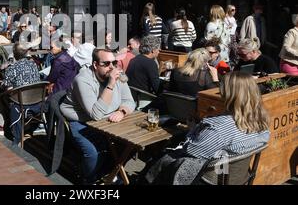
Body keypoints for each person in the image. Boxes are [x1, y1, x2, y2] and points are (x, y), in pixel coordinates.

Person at [145, 71, 270, 185]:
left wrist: (192, 129)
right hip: (237, 178)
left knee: (158, 160)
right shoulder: (261, 122)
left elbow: (191, 151)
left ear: (229, 95)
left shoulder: (218, 127)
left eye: (222, 90)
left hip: (208, 180)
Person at [60, 48, 136, 184]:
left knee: (131, 144)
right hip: (82, 120)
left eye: (114, 63)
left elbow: (129, 101)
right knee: (93, 153)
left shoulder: (116, 74)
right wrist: (111, 84)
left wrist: (122, 111)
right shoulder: (83, 80)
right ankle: (87, 178)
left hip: (108, 120)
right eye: (106, 64)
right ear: (95, 65)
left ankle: (109, 172)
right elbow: (96, 114)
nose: (111, 67)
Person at [0, 43, 41, 141]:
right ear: (26, 53)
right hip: (37, 101)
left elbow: (6, 85)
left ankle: (4, 127)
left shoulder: (12, 68)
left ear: (14, 54)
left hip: (21, 103)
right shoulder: (33, 64)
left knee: (1, 97)